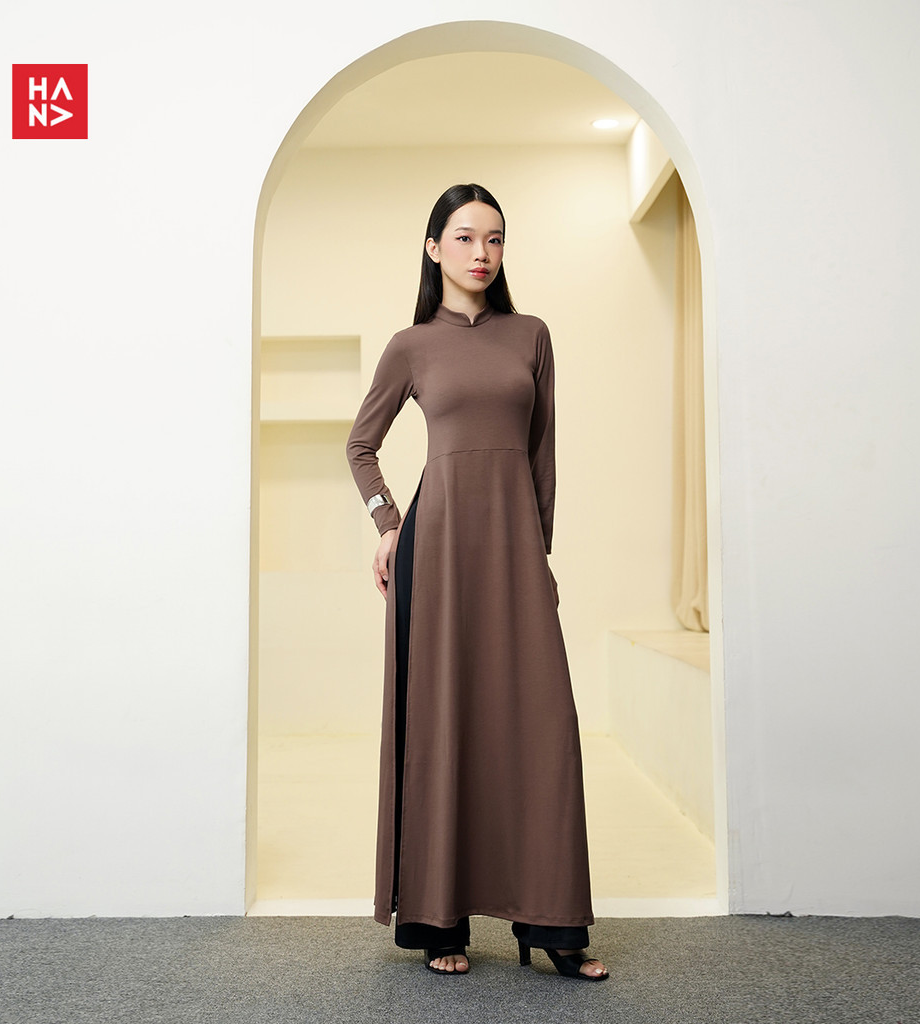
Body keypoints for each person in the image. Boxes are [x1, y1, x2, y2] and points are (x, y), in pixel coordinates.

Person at [345, 183, 608, 981]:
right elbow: (361, 445)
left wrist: (540, 555)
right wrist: (389, 524)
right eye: (463, 238)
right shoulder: (411, 345)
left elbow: (542, 455)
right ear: (434, 249)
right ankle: (440, 920)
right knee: (444, 722)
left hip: (515, 548)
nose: (481, 253)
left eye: (494, 238)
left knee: (542, 728)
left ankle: (552, 923)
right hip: (439, 552)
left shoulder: (531, 336)